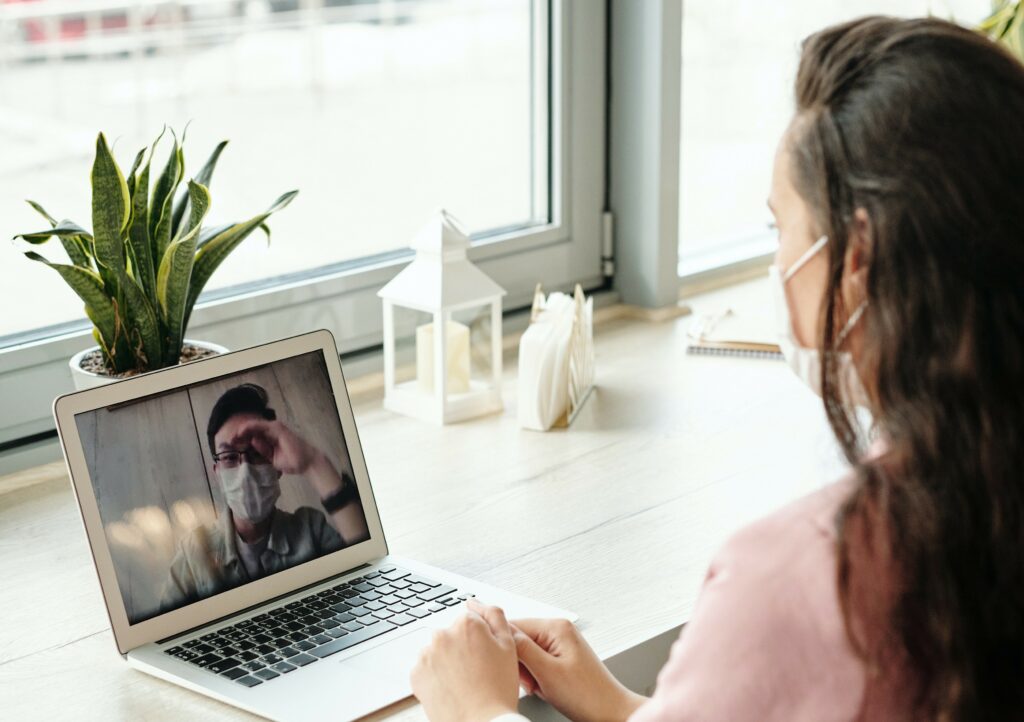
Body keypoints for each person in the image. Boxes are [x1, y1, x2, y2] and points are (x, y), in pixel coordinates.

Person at [409, 16, 1024, 722]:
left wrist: (477, 711)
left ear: (856, 259)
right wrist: (617, 706)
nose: (777, 263)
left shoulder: (801, 575)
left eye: (781, 229)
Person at [161, 383, 370, 610]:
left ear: (277, 465)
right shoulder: (195, 552)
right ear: (217, 473)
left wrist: (313, 463)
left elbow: (368, 572)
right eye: (230, 456)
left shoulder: (311, 528)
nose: (245, 471)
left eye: (257, 453)